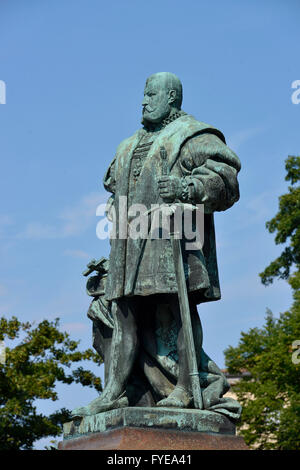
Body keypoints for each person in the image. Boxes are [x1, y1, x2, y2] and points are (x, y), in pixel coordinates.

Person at [71, 72, 241, 417]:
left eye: (151, 94)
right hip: (129, 246)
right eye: (143, 95)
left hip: (173, 242)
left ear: (172, 99)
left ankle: (184, 388)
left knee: (174, 311)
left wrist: (187, 189)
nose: (144, 101)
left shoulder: (192, 135)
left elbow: (226, 180)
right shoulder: (128, 144)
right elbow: (117, 194)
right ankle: (115, 392)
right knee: (124, 314)